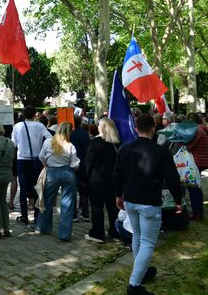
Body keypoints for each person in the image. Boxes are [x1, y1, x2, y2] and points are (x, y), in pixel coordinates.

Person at [113, 114, 183, 295]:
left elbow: (116, 175)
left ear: (136, 129)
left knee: (138, 237)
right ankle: (134, 285)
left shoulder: (125, 149)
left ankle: (140, 272)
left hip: (131, 200)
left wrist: (118, 195)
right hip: (148, 202)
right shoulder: (160, 151)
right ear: (153, 129)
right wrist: (178, 200)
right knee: (147, 242)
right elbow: (173, 178)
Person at [36, 122, 79, 242]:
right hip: (67, 173)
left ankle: (43, 227)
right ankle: (64, 234)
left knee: (47, 200)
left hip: (51, 172)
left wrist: (47, 164)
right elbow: (74, 164)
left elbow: (41, 157)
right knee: (67, 204)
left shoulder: (47, 142)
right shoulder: (70, 145)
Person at [11, 106, 52, 228]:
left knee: (23, 188)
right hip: (37, 160)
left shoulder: (18, 126)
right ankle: (37, 216)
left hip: (22, 159)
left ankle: (24, 216)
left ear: (23, 114)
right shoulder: (39, 126)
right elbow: (50, 138)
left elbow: (14, 143)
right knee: (37, 187)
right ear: (35, 115)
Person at [84, 118, 121, 243]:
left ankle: (98, 233)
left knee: (97, 207)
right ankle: (116, 231)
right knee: (113, 208)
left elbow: (88, 163)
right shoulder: (117, 143)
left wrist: (85, 178)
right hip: (113, 180)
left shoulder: (96, 143)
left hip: (97, 181)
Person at [185, 113, 207, 221]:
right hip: (202, 161)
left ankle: (197, 213)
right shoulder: (202, 128)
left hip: (198, 162)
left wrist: (180, 142)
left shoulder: (198, 131)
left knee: (193, 187)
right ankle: (198, 212)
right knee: (196, 187)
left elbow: (190, 147)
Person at [70, 115, 90, 223]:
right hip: (83, 164)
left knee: (72, 190)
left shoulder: (70, 135)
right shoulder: (85, 134)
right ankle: (85, 213)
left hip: (72, 165)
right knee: (84, 190)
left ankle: (74, 215)